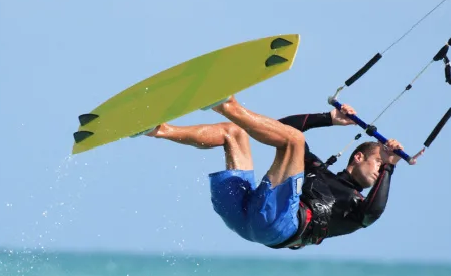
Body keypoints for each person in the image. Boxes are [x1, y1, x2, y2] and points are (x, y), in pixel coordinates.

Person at [146, 95, 409, 250]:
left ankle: (226, 104)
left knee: (291, 140)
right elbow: (280, 128)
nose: (380, 169)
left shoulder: (357, 207)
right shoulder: (317, 169)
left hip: (278, 226)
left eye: (384, 167)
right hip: (244, 215)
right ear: (358, 157)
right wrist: (327, 119)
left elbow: (373, 214)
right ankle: (159, 130)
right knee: (233, 133)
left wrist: (389, 164)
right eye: (378, 162)